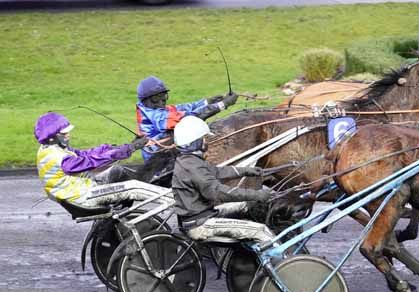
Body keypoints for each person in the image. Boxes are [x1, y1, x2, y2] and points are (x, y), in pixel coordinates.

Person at [171, 116, 276, 244]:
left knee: (247, 206)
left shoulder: (188, 162)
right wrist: (256, 194)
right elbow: (219, 192)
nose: (206, 142)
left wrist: (247, 171)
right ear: (195, 142)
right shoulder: (193, 167)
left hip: (201, 216)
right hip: (200, 225)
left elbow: (218, 172)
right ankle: (284, 261)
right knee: (261, 230)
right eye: (203, 139)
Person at [34, 112, 171, 209]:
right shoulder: (59, 158)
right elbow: (92, 162)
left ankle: (128, 204)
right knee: (133, 187)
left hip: (80, 191)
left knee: (117, 171)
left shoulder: (51, 150)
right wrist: (129, 149)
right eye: (64, 133)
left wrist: (125, 147)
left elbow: (86, 154)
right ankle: (174, 200)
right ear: (52, 137)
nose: (68, 135)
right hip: (82, 198)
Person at [135, 76, 238, 161]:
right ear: (145, 100)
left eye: (164, 96)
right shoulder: (157, 117)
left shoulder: (154, 108)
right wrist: (223, 104)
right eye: (156, 98)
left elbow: (186, 107)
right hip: (160, 160)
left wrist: (208, 101)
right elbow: (189, 119)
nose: (162, 101)